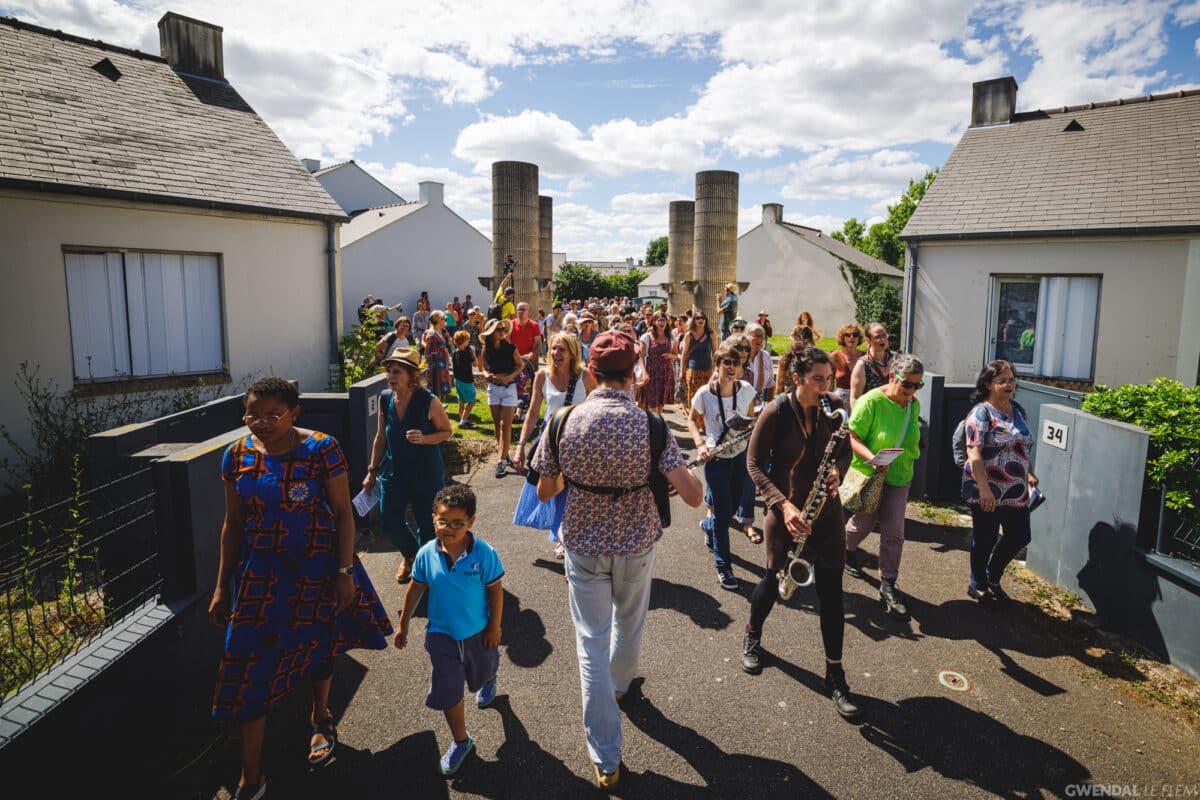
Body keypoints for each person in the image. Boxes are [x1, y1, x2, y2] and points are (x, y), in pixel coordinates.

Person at [532, 330, 704, 789]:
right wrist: (695, 467)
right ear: (634, 375)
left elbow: (545, 491)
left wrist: (578, 478)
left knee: (591, 642)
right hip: (636, 544)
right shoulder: (652, 425)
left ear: (591, 371)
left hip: (584, 546)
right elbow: (691, 497)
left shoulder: (564, 421)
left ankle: (606, 758)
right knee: (630, 623)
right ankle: (622, 687)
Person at [210, 377, 393, 798]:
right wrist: (222, 585)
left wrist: (344, 572)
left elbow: (344, 514)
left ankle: (321, 716)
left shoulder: (320, 449)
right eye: (252, 415)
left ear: (295, 412)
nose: (260, 424)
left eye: (273, 415)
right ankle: (251, 778)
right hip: (260, 576)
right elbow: (232, 524)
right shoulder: (235, 456)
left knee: (318, 645)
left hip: (317, 569)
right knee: (248, 666)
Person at [742, 346, 858, 718]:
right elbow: (755, 465)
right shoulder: (776, 410)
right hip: (787, 511)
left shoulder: (836, 407)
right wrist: (784, 505)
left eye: (829, 379)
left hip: (827, 515)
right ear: (797, 379)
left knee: (832, 594)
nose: (826, 386)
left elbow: (845, 451)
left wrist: (839, 470)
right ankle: (752, 636)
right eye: (818, 380)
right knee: (773, 580)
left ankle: (835, 674)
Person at [395, 484, 504, 776]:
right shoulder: (426, 553)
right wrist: (403, 624)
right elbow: (416, 588)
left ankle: (490, 676)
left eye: (458, 523)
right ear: (433, 519)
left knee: (483, 670)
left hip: (478, 633)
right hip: (441, 636)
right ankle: (461, 740)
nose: (450, 528)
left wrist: (494, 626)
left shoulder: (484, 553)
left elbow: (495, 591)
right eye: (443, 521)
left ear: (471, 522)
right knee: (448, 690)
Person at [843, 353, 924, 620]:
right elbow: (852, 438)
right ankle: (846, 550)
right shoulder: (871, 402)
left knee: (894, 531)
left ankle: (888, 583)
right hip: (870, 474)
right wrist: (872, 459)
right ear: (892, 377)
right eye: (907, 384)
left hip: (900, 476)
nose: (911, 391)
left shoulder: (913, 404)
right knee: (863, 523)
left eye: (917, 385)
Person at [364, 348, 453, 584]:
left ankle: (426, 568)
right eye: (389, 372)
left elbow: (447, 432)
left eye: (397, 372)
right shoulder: (385, 398)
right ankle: (411, 554)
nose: (391, 377)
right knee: (389, 520)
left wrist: (425, 438)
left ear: (412, 375)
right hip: (394, 473)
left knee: (427, 523)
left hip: (426, 473)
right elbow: (380, 437)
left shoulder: (428, 401)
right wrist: (372, 470)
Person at [512, 333, 596, 558]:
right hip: (550, 442)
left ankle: (566, 537)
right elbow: (532, 414)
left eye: (562, 350)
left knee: (574, 490)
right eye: (553, 349)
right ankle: (561, 535)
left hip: (578, 442)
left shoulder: (585, 377)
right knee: (553, 489)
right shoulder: (541, 376)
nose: (556, 354)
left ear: (572, 353)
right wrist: (520, 445)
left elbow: (597, 411)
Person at [963, 360, 1038, 603]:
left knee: (1020, 535)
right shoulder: (980, 413)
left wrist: (1029, 472)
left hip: (1016, 489)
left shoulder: (1018, 410)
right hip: (988, 488)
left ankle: (992, 576)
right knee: (985, 538)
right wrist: (984, 489)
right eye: (1002, 380)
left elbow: (1023, 445)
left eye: (1012, 379)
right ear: (988, 384)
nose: (1009, 384)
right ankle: (978, 584)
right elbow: (974, 452)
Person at [689, 340, 757, 589]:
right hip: (715, 459)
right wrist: (701, 445)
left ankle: (708, 526)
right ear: (717, 365)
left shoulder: (747, 389)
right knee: (722, 516)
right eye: (726, 362)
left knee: (729, 513)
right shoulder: (705, 393)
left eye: (736, 363)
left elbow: (750, 419)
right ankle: (723, 566)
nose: (731, 367)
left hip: (739, 456)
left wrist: (750, 430)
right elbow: (692, 420)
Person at [482, 318, 524, 478]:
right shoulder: (486, 349)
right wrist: (488, 375)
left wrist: (509, 377)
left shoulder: (511, 348)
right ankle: (504, 453)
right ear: (491, 332)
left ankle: (501, 461)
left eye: (502, 329)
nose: (501, 332)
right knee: (497, 425)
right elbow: (484, 369)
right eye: (498, 329)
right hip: (493, 388)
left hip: (509, 388)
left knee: (505, 425)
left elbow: (521, 365)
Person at [509, 301, 542, 424]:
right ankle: (513, 411)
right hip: (514, 361)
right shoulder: (511, 324)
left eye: (523, 309)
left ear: (528, 311)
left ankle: (524, 412)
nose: (521, 312)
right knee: (513, 386)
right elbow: (508, 341)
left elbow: (538, 343)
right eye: (519, 309)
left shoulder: (534, 325)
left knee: (528, 387)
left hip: (529, 362)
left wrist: (532, 354)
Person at [638, 313, 677, 415]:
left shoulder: (671, 337)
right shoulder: (646, 337)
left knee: (660, 405)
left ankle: (656, 424)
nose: (662, 322)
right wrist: (644, 372)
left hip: (666, 373)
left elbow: (676, 355)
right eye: (659, 320)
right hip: (652, 373)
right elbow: (640, 356)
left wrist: (670, 356)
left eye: (664, 320)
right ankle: (655, 426)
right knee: (652, 404)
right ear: (654, 322)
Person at [849, 322, 894, 408]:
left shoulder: (896, 360)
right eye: (878, 337)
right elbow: (855, 398)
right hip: (871, 414)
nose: (882, 339)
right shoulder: (862, 365)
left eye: (884, 335)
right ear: (868, 340)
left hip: (892, 414)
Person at [678, 311, 714, 412]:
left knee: (706, 397)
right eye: (698, 318)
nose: (700, 320)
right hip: (692, 370)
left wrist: (717, 370)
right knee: (693, 397)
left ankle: (703, 423)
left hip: (707, 370)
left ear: (706, 320)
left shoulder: (711, 335)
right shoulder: (689, 335)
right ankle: (694, 421)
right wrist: (682, 371)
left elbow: (716, 353)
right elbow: (684, 355)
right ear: (694, 320)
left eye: (702, 318)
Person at [829, 323, 865, 406]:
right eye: (847, 335)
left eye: (855, 335)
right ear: (843, 338)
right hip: (840, 401)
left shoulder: (865, 357)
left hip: (860, 400)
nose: (851, 337)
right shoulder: (835, 356)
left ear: (859, 338)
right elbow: (829, 382)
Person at [423, 310, 453, 400]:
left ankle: (438, 410)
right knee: (435, 391)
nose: (446, 321)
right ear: (439, 320)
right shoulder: (432, 334)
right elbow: (429, 354)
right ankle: (435, 411)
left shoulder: (439, 332)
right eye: (445, 319)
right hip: (436, 368)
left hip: (441, 366)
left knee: (438, 392)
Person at [451, 330, 478, 429]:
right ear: (464, 341)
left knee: (461, 401)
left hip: (457, 380)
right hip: (467, 381)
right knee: (472, 401)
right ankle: (463, 421)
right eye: (468, 340)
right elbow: (475, 364)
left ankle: (462, 419)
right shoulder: (467, 354)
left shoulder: (454, 353)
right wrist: (474, 353)